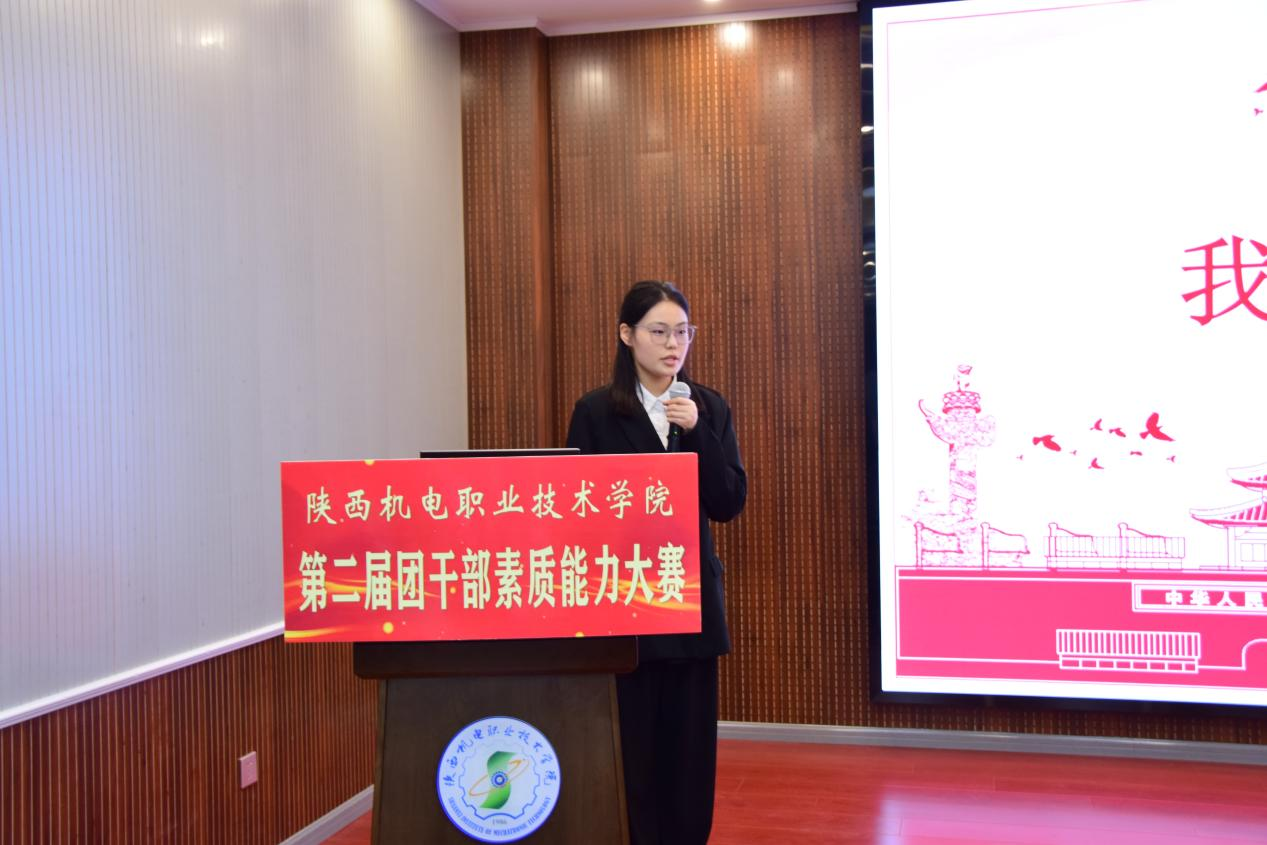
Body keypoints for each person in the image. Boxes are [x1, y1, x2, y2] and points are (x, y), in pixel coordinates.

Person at [566, 280, 747, 844]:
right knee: (633, 750)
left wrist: (698, 434)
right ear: (627, 335)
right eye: (660, 331)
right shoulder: (596, 412)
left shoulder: (707, 407)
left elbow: (728, 502)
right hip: (625, 605)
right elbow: (578, 509)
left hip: (690, 604)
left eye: (683, 333)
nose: (673, 344)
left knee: (689, 756)